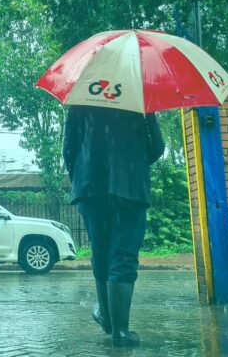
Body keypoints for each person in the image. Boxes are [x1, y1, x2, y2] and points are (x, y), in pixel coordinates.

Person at [62, 105, 164, 347]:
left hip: (89, 187)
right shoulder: (137, 96)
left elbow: (69, 149)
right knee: (123, 254)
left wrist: (83, 175)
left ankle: (107, 319)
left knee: (101, 251)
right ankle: (120, 331)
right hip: (129, 186)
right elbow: (157, 146)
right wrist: (134, 162)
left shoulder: (83, 96)